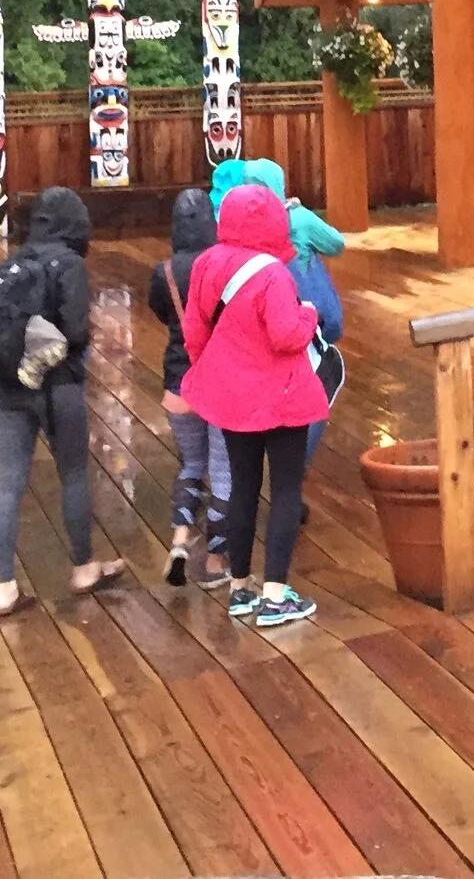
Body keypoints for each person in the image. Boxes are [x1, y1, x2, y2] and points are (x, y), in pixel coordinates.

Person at [182, 183, 326, 627]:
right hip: (282, 397)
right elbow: (286, 335)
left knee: (243, 486)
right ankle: (276, 596)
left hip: (232, 396)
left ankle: (241, 588)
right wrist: (309, 314)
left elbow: (194, 330)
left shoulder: (206, 263)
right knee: (285, 490)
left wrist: (214, 371)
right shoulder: (273, 273)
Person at [0, 187, 123, 616]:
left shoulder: (13, 263)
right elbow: (76, 332)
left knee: (10, 483)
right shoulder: (69, 265)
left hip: (10, 387)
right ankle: (83, 568)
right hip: (58, 386)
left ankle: (5, 587)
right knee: (73, 475)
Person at [215, 158, 344, 461]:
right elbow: (336, 244)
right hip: (304, 318)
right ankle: (295, 460)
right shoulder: (297, 219)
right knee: (318, 384)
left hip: (259, 320)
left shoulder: (236, 224)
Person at [148, 189, 232, 588]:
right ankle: (215, 562)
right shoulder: (224, 266)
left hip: (178, 381)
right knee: (223, 472)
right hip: (220, 382)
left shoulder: (163, 272)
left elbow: (160, 310)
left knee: (192, 466)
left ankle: (180, 540)